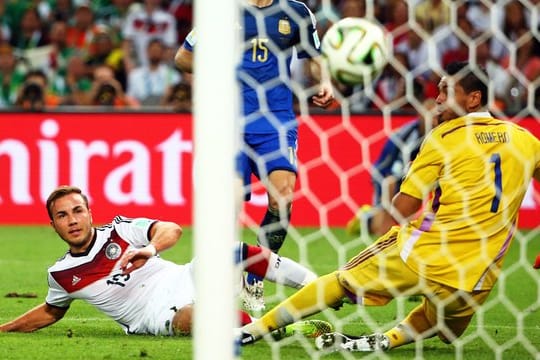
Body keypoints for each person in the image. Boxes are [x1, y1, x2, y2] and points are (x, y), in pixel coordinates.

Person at [238, 61, 540, 352]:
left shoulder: (443, 138)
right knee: (446, 330)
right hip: (477, 276)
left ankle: (252, 331)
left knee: (341, 281)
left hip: (424, 254)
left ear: (473, 98)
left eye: (447, 90)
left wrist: (416, 165)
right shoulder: (525, 139)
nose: (437, 98)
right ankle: (389, 338)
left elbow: (404, 207)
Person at [0, 185, 332, 339]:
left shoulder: (120, 230)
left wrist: (150, 249)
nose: (72, 220)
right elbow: (51, 311)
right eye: (62, 215)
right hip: (154, 315)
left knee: (229, 249)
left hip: (185, 277)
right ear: (53, 225)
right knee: (199, 319)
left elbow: (170, 229)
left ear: (90, 213)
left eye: (77, 211)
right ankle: (284, 328)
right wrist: (5, 329)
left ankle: (319, 287)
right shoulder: (60, 274)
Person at [174, 0, 334, 312]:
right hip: (228, 119)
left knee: (283, 198)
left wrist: (324, 81)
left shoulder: (297, 11)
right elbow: (183, 57)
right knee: (229, 204)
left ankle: (254, 276)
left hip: (276, 120)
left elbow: (314, 57)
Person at [346, 98, 438, 237]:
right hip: (390, 176)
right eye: (429, 114)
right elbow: (390, 170)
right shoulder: (407, 135)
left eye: (436, 115)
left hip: (416, 177)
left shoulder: (438, 135)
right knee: (382, 224)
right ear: (420, 114)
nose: (433, 119)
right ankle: (367, 220)